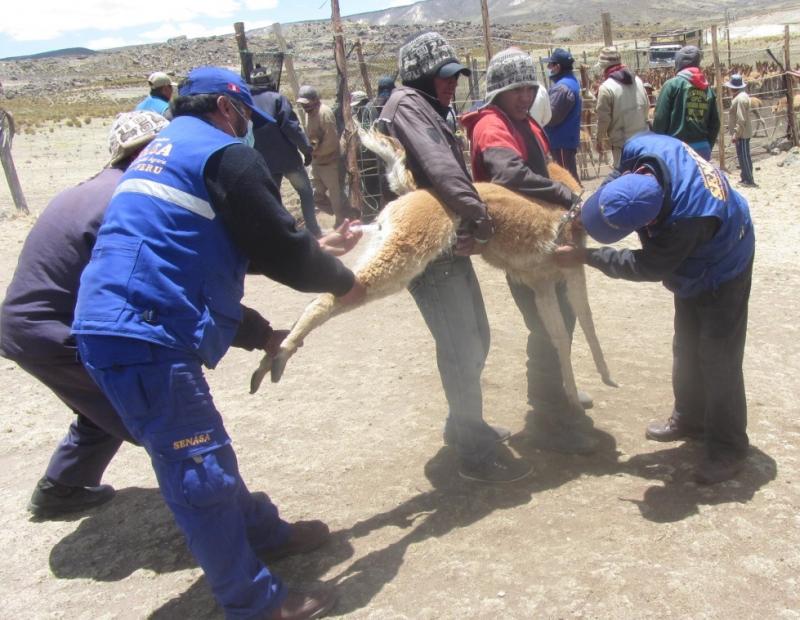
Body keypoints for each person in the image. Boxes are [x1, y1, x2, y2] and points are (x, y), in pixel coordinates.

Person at [71, 66, 366, 620]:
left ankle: (265, 532)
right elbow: (279, 249)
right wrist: (343, 282)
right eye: (247, 119)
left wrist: (312, 250)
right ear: (229, 110)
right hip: (141, 336)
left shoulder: (171, 147)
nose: (248, 129)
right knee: (198, 471)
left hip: (125, 328)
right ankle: (253, 602)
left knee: (205, 449)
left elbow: (218, 249)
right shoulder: (224, 154)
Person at [554, 133, 755, 485]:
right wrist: (591, 208)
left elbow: (647, 266)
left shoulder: (687, 219)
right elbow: (620, 173)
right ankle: (690, 417)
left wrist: (587, 256)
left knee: (718, 356)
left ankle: (729, 447)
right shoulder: (643, 148)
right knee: (686, 344)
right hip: (693, 254)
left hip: (725, 260)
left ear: (649, 222)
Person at [377, 32, 532, 483]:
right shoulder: (409, 105)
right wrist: (482, 219)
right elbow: (442, 168)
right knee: (462, 345)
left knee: (474, 337)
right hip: (430, 247)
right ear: (420, 75)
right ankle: (474, 452)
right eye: (442, 77)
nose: (451, 84)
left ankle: (463, 426)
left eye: (455, 76)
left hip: (443, 239)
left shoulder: (424, 107)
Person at [0, 111, 168, 518]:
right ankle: (219, 511)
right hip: (53, 332)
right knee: (155, 411)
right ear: (148, 153)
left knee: (100, 403)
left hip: (26, 327)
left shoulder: (89, 189)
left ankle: (63, 487)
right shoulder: (127, 199)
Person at [460, 48, 597, 454]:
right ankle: (547, 409)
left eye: (528, 87)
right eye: (514, 88)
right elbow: (508, 173)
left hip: (541, 237)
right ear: (498, 91)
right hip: (519, 243)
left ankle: (557, 388)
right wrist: (564, 194)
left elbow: (543, 165)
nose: (523, 96)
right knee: (546, 323)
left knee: (564, 317)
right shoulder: (491, 125)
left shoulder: (525, 123)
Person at [250, 73, 322, 237]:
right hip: (288, 160)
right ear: (270, 81)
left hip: (264, 162)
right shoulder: (277, 99)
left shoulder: (246, 102)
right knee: (305, 193)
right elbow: (291, 128)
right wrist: (306, 150)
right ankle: (313, 230)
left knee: (273, 200)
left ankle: (282, 233)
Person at [652, 46, 720, 161]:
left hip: (677, 149)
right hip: (702, 148)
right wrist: (707, 145)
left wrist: (660, 146)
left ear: (678, 63)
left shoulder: (672, 85)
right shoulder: (707, 88)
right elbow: (715, 124)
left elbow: (660, 119)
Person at [297, 84, 350, 227]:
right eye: (303, 105)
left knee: (335, 195)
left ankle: (341, 221)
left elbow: (332, 142)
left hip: (329, 162)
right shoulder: (309, 114)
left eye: (307, 104)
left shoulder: (324, 113)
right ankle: (345, 213)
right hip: (317, 162)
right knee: (316, 195)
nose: (305, 108)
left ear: (315, 100)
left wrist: (313, 151)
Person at [595, 46, 649, 167]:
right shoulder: (637, 80)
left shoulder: (606, 88)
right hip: (643, 141)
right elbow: (646, 107)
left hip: (622, 147)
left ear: (603, 66)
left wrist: (599, 140)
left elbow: (603, 120)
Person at [543, 47, 582, 181]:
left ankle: (575, 202)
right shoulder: (572, 82)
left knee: (566, 181)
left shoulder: (561, 88)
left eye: (551, 64)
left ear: (558, 67)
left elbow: (551, 117)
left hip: (560, 142)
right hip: (566, 140)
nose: (549, 67)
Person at [726, 74, 756, 187]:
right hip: (743, 132)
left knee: (743, 155)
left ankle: (749, 179)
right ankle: (745, 177)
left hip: (742, 133)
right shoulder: (742, 96)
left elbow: (741, 118)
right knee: (743, 155)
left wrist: (736, 134)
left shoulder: (740, 99)